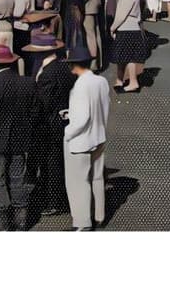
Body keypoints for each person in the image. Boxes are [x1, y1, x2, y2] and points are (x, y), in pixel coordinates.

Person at [0, 44, 39, 231]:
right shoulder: (27, 83)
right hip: (20, 140)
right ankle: (21, 223)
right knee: (18, 179)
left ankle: (1, 227)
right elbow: (35, 113)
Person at [62, 46, 111, 231]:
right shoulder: (101, 81)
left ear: (73, 65)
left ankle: (82, 224)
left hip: (80, 142)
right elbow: (102, 106)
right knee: (97, 178)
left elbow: (82, 118)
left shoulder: (80, 86)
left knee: (78, 182)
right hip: (99, 136)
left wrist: (68, 132)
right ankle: (99, 216)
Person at [25, 30, 72, 217]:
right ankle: (57, 198)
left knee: (50, 165)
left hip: (48, 125)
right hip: (60, 121)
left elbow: (43, 104)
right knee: (56, 163)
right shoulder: (63, 67)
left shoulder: (47, 74)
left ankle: (54, 202)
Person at [110, 0, 147, 93]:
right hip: (129, 28)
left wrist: (112, 28)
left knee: (129, 57)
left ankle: (133, 82)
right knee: (123, 56)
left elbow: (121, 15)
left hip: (127, 28)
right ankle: (120, 80)